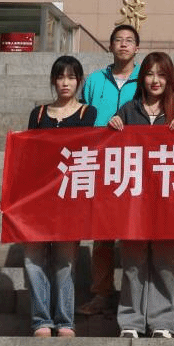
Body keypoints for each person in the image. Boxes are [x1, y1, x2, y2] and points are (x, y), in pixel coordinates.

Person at [108, 52, 174, 338]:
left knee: (167, 263)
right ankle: (131, 322)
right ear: (141, 78)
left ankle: (163, 322)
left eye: (161, 74)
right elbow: (112, 151)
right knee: (133, 263)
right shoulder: (128, 110)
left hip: (170, 202)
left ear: (170, 78)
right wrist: (112, 128)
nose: (155, 80)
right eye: (149, 74)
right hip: (133, 201)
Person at [24, 56, 98, 337]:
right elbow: (29, 153)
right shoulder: (39, 114)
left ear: (79, 81)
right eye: (60, 77)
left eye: (71, 77)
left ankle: (65, 320)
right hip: (38, 197)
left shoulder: (87, 113)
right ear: (53, 80)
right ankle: (41, 319)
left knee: (65, 261)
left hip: (70, 195)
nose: (65, 83)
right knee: (33, 259)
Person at [76, 23, 141, 318]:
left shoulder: (145, 78)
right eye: (118, 40)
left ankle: (132, 295)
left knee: (132, 233)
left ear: (137, 48)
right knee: (102, 234)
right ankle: (102, 292)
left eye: (129, 40)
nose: (123, 44)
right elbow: (83, 115)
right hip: (100, 162)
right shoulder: (94, 80)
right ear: (111, 45)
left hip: (134, 164)